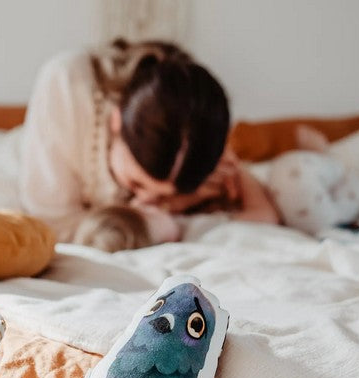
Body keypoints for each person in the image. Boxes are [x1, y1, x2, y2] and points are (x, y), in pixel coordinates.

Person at [19, 39, 279, 252]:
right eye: (137, 184)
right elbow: (52, 228)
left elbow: (262, 221)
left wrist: (231, 171)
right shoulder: (68, 86)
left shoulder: (193, 148)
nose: (147, 201)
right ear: (116, 120)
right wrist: (168, 207)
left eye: (165, 196)